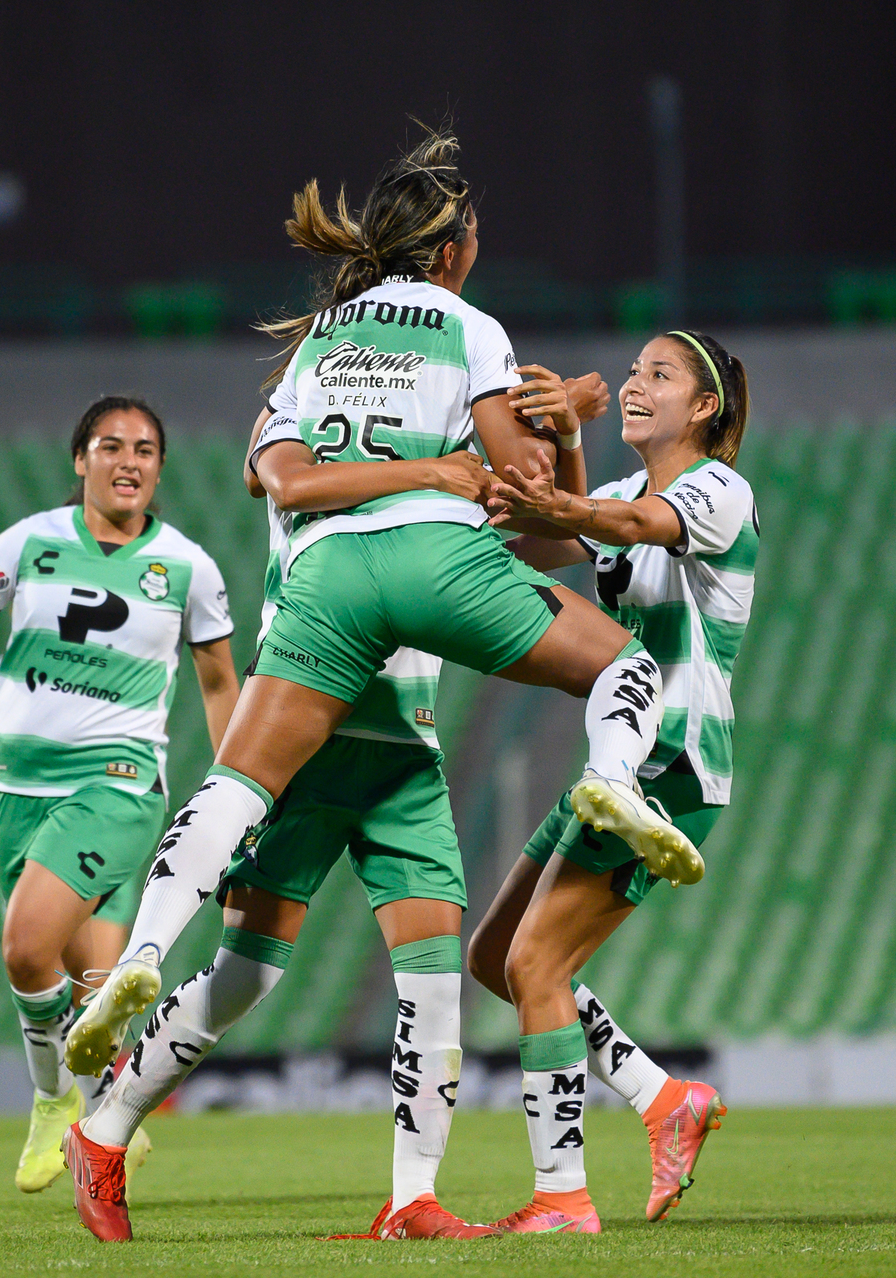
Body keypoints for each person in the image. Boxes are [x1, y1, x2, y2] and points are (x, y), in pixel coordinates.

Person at [62, 128, 694, 1239]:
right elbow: (521, 512)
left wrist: (516, 452)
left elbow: (309, 480)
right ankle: (107, 1122)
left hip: (379, 708)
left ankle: (407, 1200)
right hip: (346, 686)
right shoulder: (457, 339)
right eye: (474, 233)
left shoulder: (317, 356)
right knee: (275, 972)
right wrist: (536, 445)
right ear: (449, 252)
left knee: (400, 967)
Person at [70, 380, 606, 1243]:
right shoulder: (315, 447)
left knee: (433, 980)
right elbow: (272, 474)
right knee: (247, 975)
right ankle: (103, 1130)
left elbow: (560, 541)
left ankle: (412, 1199)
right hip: (304, 738)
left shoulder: (444, 469)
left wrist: (560, 438)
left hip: (403, 748)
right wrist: (447, 465)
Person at [0, 394, 239, 1196]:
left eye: (144, 449)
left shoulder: (187, 567)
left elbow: (221, 684)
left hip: (118, 783)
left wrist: (237, 791)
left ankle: (51, 1103)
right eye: (111, 446)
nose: (128, 461)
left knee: (23, 948)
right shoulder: (31, 542)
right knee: (86, 992)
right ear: (81, 460)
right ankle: (107, 1124)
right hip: (17, 790)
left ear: (159, 470)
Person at [466, 329, 755, 1232]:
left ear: (702, 408)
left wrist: (559, 496)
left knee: (535, 964)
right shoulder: (624, 490)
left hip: (673, 765)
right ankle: (665, 1099)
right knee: (494, 958)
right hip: (616, 767)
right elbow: (545, 540)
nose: (635, 384)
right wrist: (537, 459)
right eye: (632, 371)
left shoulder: (718, 489)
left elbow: (627, 527)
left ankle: (562, 1196)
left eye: (658, 375)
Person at [0, 656, 146, 1050]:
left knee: (93, 994)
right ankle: (66, 1077)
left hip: (98, 834)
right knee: (49, 986)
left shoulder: (98, 667)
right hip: (25, 849)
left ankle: (100, 1078)